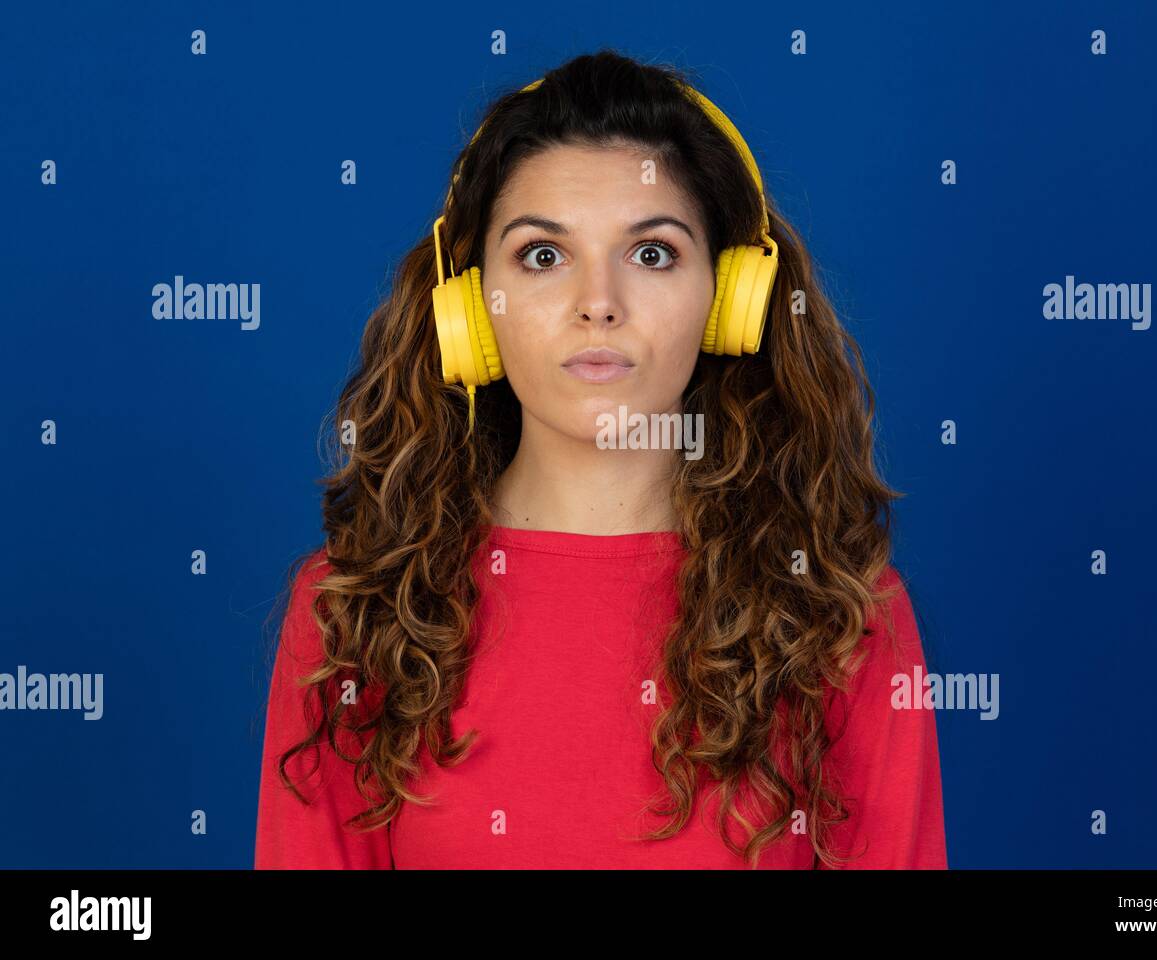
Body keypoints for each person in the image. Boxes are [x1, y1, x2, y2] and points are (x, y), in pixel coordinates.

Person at [254, 49, 947, 869]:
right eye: (543, 256)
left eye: (651, 253)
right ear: (469, 305)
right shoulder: (351, 612)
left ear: (730, 301)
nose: (598, 304)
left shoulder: (842, 616)